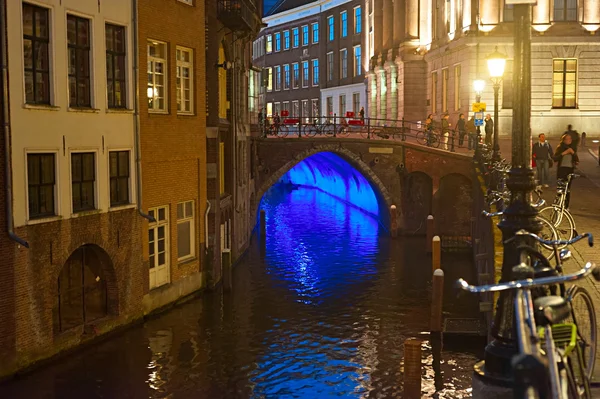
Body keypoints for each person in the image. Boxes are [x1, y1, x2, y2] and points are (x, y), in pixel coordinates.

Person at [553, 134, 578, 208]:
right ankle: (558, 203)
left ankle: (566, 206)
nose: (569, 140)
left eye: (570, 139)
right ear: (564, 140)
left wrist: (572, 153)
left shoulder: (573, 148)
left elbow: (577, 159)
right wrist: (564, 153)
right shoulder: (560, 148)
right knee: (560, 187)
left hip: (569, 170)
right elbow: (555, 159)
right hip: (561, 170)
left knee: (568, 189)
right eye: (567, 139)